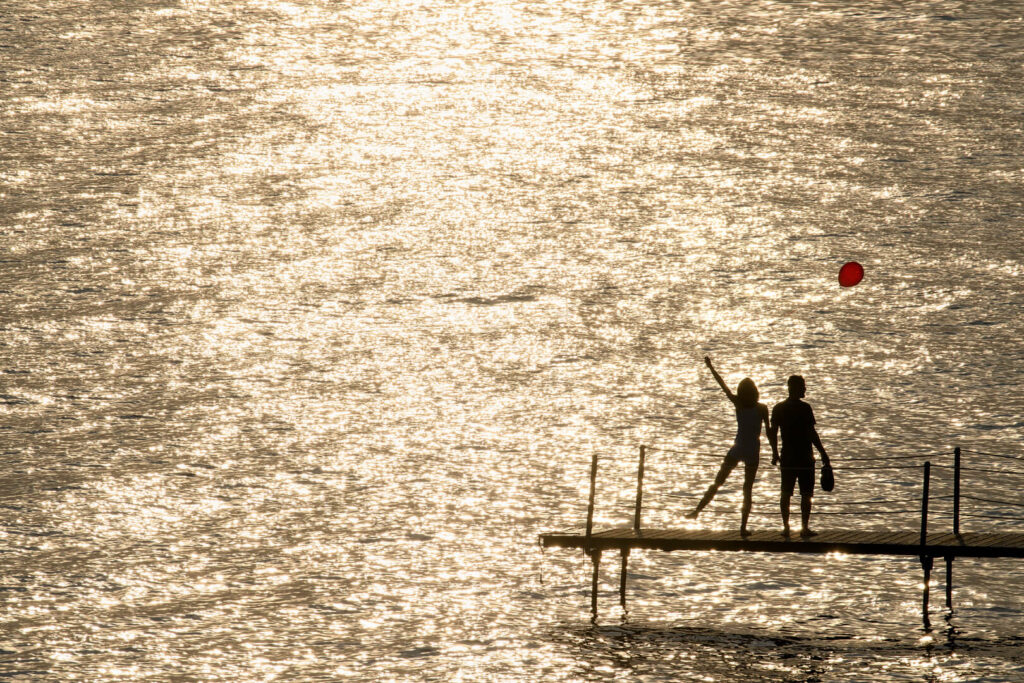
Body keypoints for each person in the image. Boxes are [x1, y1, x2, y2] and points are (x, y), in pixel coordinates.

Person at [686, 356, 776, 536]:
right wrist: (775, 453)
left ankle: (698, 511)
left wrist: (711, 367)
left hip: (739, 449)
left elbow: (723, 385)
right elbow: (770, 433)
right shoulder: (760, 408)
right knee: (746, 489)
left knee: (719, 481)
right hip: (750, 451)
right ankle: (742, 527)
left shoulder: (740, 404)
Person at [769, 375, 831, 538]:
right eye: (803, 386)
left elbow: (772, 433)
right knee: (806, 493)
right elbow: (811, 433)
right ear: (795, 388)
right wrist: (823, 453)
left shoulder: (778, 408)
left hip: (788, 457)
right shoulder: (805, 408)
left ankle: (786, 527)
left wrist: (775, 452)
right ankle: (804, 527)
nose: (805, 389)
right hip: (804, 457)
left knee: (786, 492)